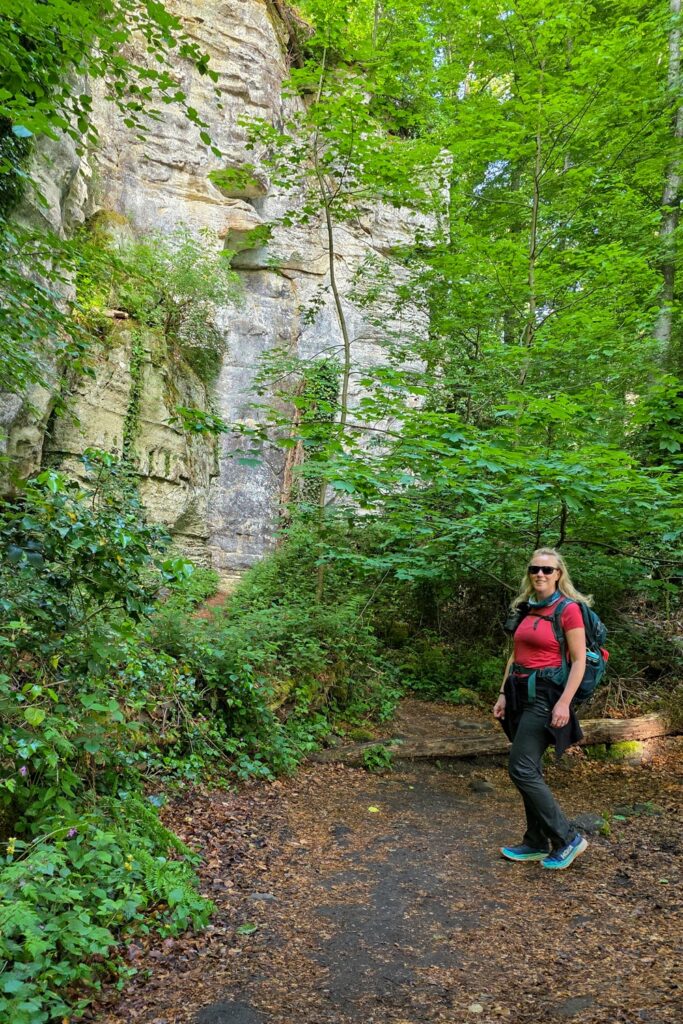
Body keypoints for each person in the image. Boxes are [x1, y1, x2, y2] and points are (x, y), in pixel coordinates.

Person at [493, 547, 590, 870]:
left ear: (559, 574)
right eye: (535, 568)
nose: (540, 574)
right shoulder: (526, 608)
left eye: (547, 570)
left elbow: (578, 662)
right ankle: (535, 841)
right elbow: (514, 655)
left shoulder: (569, 610)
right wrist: (503, 694)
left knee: (520, 768)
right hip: (518, 694)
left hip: (546, 697)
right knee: (529, 769)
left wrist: (564, 702)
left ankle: (567, 838)